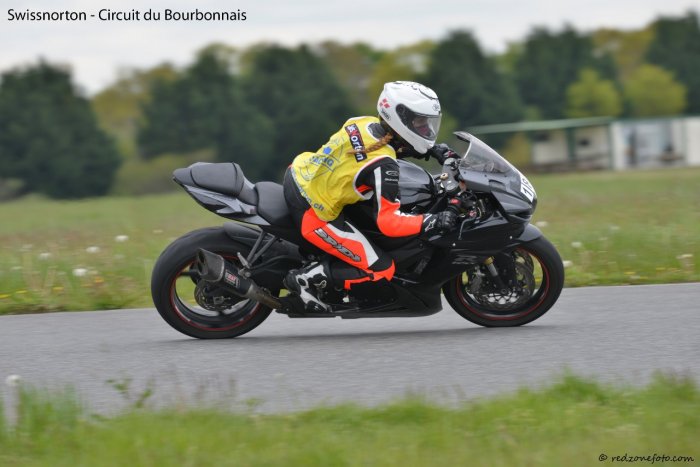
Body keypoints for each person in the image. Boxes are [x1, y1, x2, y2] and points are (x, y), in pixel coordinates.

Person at [282, 81, 459, 311]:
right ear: (401, 119)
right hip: (314, 212)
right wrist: (432, 221)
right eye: (420, 122)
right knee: (382, 269)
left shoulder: (362, 122)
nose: (426, 129)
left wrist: (431, 149)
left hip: (299, 174)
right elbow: (389, 223)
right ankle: (306, 279)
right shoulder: (383, 165)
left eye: (428, 123)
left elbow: (381, 149)